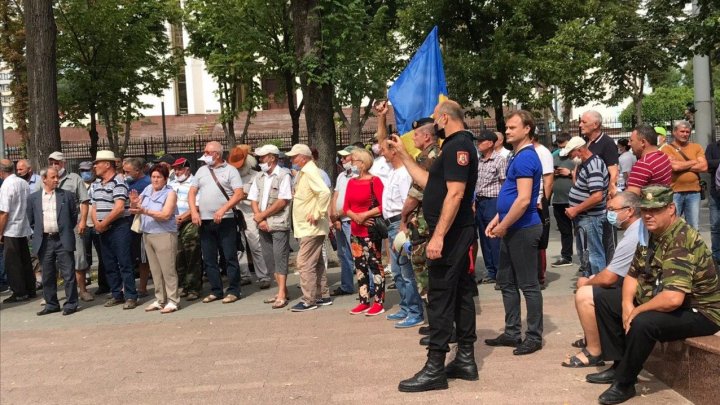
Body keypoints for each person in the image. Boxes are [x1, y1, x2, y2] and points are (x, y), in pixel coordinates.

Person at [588, 185, 720, 405]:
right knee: (603, 297)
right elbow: (632, 274)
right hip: (672, 301)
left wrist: (636, 310)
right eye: (645, 210)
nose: (648, 215)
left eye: (655, 210)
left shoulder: (682, 239)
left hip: (701, 311)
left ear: (671, 209)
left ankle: (625, 383)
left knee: (643, 322)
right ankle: (619, 365)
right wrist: (626, 304)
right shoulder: (650, 233)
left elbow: (673, 299)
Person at [391, 100, 478, 392]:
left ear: (443, 118)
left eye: (436, 120)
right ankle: (465, 359)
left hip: (451, 233)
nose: (433, 124)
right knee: (462, 291)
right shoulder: (452, 147)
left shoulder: (458, 147)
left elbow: (455, 195)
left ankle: (435, 367)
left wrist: (438, 236)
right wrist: (404, 155)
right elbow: (430, 182)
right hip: (453, 231)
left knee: (440, 295)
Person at [484, 110, 544, 356]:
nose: (507, 131)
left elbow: (523, 200)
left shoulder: (525, 158)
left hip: (523, 228)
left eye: (512, 127)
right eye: (506, 127)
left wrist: (504, 225)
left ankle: (534, 336)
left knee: (528, 284)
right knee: (506, 281)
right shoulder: (516, 157)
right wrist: (497, 219)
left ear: (527, 128)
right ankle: (512, 332)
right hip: (512, 227)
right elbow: (511, 199)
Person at [561, 192, 641, 368]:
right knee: (591, 283)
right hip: (632, 285)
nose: (609, 214)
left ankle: (594, 351)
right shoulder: (634, 230)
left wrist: (587, 283)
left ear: (629, 211)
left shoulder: (635, 233)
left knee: (585, 294)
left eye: (612, 210)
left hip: (639, 292)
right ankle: (592, 337)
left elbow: (610, 278)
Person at [188, 141, 245, 304]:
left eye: (207, 152)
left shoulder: (230, 170)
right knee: (209, 258)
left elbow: (238, 193)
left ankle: (234, 290)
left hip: (225, 220)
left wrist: (223, 209)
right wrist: (194, 211)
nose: (204, 154)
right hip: (205, 221)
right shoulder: (201, 171)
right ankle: (216, 290)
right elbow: (192, 193)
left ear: (217, 154)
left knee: (229, 256)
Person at [381, 140, 424, 327]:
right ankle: (406, 306)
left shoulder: (404, 173)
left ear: (394, 151)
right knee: (397, 271)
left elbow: (409, 201)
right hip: (391, 223)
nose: (381, 153)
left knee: (406, 271)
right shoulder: (392, 171)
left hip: (400, 223)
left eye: (384, 150)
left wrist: (404, 225)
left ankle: (416, 311)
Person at [398, 117, 441, 302]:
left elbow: (416, 194)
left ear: (426, 136)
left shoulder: (426, 157)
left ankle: (436, 321)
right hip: (431, 221)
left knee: (423, 273)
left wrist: (403, 217)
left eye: (415, 135)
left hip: (423, 223)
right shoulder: (438, 153)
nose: (412, 138)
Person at [286, 143, 332, 312]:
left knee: (304, 263)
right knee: (316, 262)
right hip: (308, 227)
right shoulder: (304, 172)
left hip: (310, 227)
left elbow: (325, 192)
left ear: (303, 157)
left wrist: (317, 212)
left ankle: (308, 300)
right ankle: (322, 294)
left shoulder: (310, 171)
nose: (292, 159)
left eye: (294, 157)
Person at [28, 167, 79, 316]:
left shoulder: (67, 196)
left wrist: (64, 230)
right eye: (53, 177)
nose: (57, 180)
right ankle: (51, 304)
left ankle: (71, 303)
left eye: (57, 177)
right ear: (44, 179)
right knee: (48, 274)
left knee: (68, 273)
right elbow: (31, 220)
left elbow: (73, 217)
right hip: (45, 240)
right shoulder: (33, 198)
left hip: (62, 239)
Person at [130, 164, 180, 314]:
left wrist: (144, 210)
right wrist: (133, 201)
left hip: (164, 234)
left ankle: (173, 300)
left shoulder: (170, 193)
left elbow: (165, 215)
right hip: (147, 234)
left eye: (159, 177)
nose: (155, 180)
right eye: (153, 177)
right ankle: (160, 299)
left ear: (165, 179)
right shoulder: (147, 190)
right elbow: (136, 206)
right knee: (156, 270)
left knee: (168, 270)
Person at [248, 144, 293, 309]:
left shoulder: (283, 175)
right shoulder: (259, 177)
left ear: (272, 158)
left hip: (279, 223)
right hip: (262, 223)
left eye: (262, 157)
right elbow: (253, 198)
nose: (260, 160)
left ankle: (281, 293)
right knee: (269, 259)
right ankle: (283, 290)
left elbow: (283, 200)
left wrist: (262, 215)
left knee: (280, 257)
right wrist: (260, 219)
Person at [91, 151, 137, 310]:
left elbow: (118, 208)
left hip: (119, 227)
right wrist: (97, 222)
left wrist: (104, 223)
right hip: (103, 228)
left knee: (124, 262)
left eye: (98, 162)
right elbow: (94, 206)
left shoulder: (119, 182)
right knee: (109, 263)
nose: (95, 165)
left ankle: (130, 295)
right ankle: (117, 293)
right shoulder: (96, 184)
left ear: (107, 164)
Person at [343, 148, 386, 316]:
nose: (350, 163)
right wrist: (355, 217)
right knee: (360, 266)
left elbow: (383, 205)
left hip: (370, 230)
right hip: (355, 229)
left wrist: (365, 215)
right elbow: (346, 207)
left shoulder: (375, 181)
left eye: (353, 160)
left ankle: (379, 301)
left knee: (375, 266)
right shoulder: (351, 182)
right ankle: (363, 300)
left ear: (362, 163)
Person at [48, 152, 93, 302]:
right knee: (52, 260)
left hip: (73, 224)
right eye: (52, 163)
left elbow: (84, 201)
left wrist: (82, 222)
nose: (55, 165)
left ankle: (83, 290)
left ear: (64, 163)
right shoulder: (46, 179)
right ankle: (51, 294)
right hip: (53, 225)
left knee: (79, 257)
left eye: (58, 162)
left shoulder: (75, 179)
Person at [562, 137, 609, 275]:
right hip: (585, 217)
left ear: (580, 150)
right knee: (586, 253)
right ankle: (590, 280)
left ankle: (597, 286)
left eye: (571, 154)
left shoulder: (593, 165)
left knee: (593, 254)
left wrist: (576, 209)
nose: (570, 157)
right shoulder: (585, 163)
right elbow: (578, 184)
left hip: (590, 217)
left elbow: (597, 196)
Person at [229, 145, 269, 288]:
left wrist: (244, 196)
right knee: (239, 246)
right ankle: (244, 274)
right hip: (236, 213)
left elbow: (259, 196)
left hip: (251, 213)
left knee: (255, 245)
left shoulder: (255, 176)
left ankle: (263, 276)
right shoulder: (232, 176)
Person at [660, 120, 707, 229]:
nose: (685, 134)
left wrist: (682, 164)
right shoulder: (667, 149)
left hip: (694, 192)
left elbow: (704, 167)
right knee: (673, 226)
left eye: (687, 132)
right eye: (682, 131)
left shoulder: (696, 147)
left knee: (694, 227)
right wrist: (694, 161)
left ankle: (692, 246)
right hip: (675, 192)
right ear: (674, 132)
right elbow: (675, 167)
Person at [474, 130, 506, 284]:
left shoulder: (499, 160)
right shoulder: (478, 160)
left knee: (494, 238)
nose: (478, 143)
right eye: (478, 141)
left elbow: (504, 184)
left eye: (482, 141)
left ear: (491, 143)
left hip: (493, 201)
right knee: (484, 239)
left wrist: (502, 206)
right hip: (480, 202)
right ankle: (490, 271)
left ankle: (501, 273)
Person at [0, 159, 35, 303]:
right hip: (23, 225)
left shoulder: (6, 186)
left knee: (12, 262)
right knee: (25, 260)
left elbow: (4, 212)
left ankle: (19, 292)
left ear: (1, 172)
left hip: (10, 228)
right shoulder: (23, 183)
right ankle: (30, 288)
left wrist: (0, 232)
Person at [169, 158, 202, 301]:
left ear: (187, 169)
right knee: (178, 257)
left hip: (189, 222)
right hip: (173, 224)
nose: (177, 172)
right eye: (175, 169)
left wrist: (183, 217)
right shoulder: (171, 184)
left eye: (180, 169)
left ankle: (194, 288)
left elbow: (198, 204)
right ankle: (184, 286)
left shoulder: (195, 183)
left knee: (192, 256)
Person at [329, 146, 357, 296]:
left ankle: (369, 285)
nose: (342, 160)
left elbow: (353, 200)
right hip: (340, 220)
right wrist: (334, 215)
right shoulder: (341, 176)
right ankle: (347, 285)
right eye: (342, 157)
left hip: (352, 220)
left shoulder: (357, 175)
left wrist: (339, 214)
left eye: (345, 157)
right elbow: (335, 196)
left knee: (357, 254)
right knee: (343, 254)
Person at [123, 157, 151, 297]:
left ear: (138, 170)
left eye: (128, 172)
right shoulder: (128, 183)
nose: (126, 174)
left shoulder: (146, 184)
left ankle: (143, 287)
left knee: (142, 257)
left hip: (140, 224)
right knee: (128, 256)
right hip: (128, 224)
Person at [580, 111, 619, 199]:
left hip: (598, 197)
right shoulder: (585, 141)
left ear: (595, 125)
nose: (580, 125)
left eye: (584, 122)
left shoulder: (607, 143)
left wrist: (610, 191)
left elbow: (614, 172)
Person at [551, 133, 576, 267]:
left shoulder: (576, 158)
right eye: (559, 146)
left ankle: (586, 258)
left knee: (581, 230)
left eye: (565, 146)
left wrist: (570, 173)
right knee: (564, 230)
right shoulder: (554, 156)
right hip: (558, 200)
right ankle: (566, 256)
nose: (562, 149)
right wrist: (554, 173)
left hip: (575, 200)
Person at [533, 133, 554, 288]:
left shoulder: (543, 152)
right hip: (528, 203)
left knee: (540, 240)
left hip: (538, 203)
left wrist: (543, 200)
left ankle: (540, 277)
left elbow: (548, 179)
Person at [625, 124, 672, 195]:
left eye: (631, 140)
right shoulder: (663, 156)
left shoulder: (643, 164)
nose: (629, 143)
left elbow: (630, 198)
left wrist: (615, 194)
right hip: (662, 203)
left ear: (643, 142)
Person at [705, 137, 720, 264]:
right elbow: (706, 164)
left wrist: (716, 163)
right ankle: (716, 255)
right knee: (715, 226)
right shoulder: (712, 147)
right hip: (715, 193)